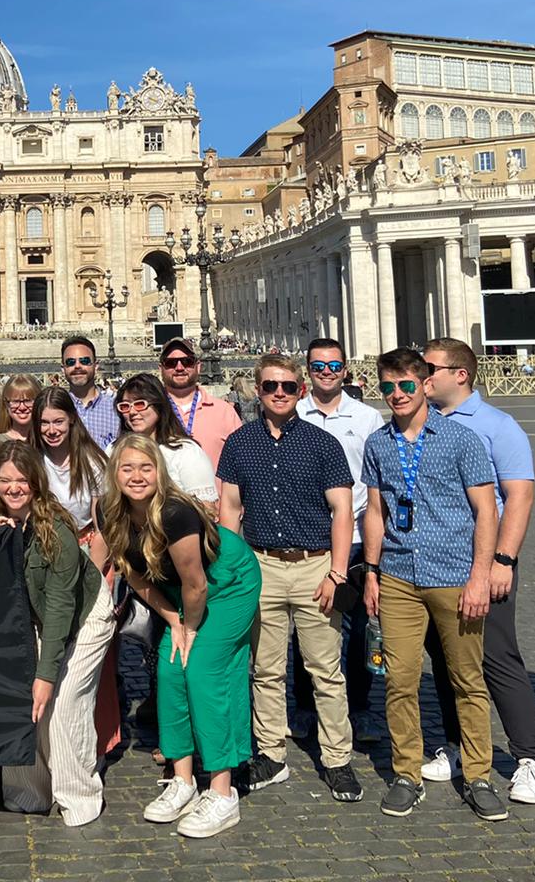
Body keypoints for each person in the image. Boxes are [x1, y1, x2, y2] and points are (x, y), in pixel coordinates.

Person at [362, 349, 504, 821]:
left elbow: (487, 511)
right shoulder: (378, 443)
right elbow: (376, 513)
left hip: (454, 575)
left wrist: (480, 576)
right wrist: (372, 571)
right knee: (399, 680)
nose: (397, 395)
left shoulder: (462, 440)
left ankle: (479, 774)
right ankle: (407, 773)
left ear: (425, 385)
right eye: (388, 386)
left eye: (405, 385)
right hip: (400, 576)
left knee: (467, 679)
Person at [95, 433, 261, 839]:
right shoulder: (108, 510)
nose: (136, 476)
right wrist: (172, 620)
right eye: (127, 467)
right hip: (180, 596)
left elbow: (197, 584)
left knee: (203, 670)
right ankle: (184, 780)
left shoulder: (175, 513)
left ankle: (222, 791)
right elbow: (132, 574)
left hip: (227, 584)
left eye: (146, 468)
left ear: (160, 472)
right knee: (170, 672)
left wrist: (187, 626)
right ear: (115, 472)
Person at [215, 355, 360, 802]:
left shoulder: (323, 443)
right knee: (265, 670)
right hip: (260, 566)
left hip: (316, 565)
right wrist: (230, 571)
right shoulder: (239, 443)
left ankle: (337, 758)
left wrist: (337, 573)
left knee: (325, 670)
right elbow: (231, 512)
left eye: (288, 387)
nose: (279, 393)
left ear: (300, 390)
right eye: (270, 386)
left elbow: (342, 512)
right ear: (257, 390)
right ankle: (271, 753)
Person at [419, 337, 535, 804]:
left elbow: (520, 495)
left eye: (429, 368)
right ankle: (458, 746)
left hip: (485, 559)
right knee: (446, 660)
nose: (421, 375)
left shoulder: (498, 425)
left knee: (496, 657)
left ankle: (530, 758)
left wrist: (504, 560)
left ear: (461, 374)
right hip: (432, 561)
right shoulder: (421, 421)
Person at [0, 440, 114, 826]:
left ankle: (79, 795)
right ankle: (28, 791)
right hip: (30, 619)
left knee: (63, 701)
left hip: (84, 615)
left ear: (36, 483)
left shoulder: (57, 529)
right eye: (5, 481)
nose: (14, 488)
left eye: (22, 480)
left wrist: (46, 675)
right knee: (22, 702)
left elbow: (60, 609)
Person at [292, 337, 384, 747]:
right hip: (309, 535)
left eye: (333, 366)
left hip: (360, 536)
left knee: (361, 625)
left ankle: (360, 708)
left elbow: (378, 478)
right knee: (306, 624)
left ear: (345, 370)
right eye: (318, 366)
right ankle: (307, 706)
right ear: (307, 370)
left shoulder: (367, 418)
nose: (326, 373)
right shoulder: (292, 413)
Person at [114, 373, 217, 506]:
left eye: (140, 404)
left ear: (159, 405)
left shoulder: (186, 452)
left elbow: (206, 509)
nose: (132, 412)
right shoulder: (114, 449)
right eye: (125, 406)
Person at [158, 337, 241, 470]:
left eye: (187, 361)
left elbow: (242, 461)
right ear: (160, 368)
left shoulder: (224, 412)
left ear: (198, 366)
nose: (179, 367)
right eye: (171, 363)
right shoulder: (150, 411)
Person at [33, 386, 108, 530]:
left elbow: (99, 515)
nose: (52, 431)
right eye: (44, 423)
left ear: (72, 418)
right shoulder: (33, 460)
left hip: (83, 538)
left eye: (58, 421)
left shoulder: (92, 461)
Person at [62, 336, 117, 451]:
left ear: (96, 366)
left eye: (85, 361)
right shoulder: (57, 408)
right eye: (71, 362)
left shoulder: (115, 409)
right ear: (63, 369)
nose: (77, 366)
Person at [0, 374, 40, 443]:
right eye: (15, 401)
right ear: (6, 404)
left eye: (28, 400)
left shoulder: (46, 440)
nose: (22, 407)